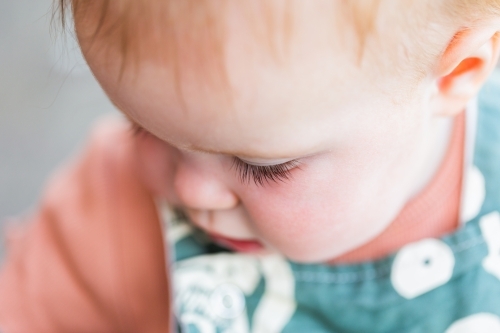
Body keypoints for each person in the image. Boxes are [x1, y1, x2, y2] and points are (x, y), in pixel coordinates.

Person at [2, 0, 500, 331]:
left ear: (457, 74)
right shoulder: (112, 212)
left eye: (260, 166)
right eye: (145, 127)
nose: (191, 189)